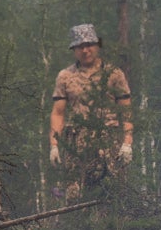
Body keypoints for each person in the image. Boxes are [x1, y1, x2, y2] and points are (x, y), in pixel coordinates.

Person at [49, 24, 133, 199]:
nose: (85, 50)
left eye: (89, 45)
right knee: (75, 195)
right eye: (80, 46)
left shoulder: (113, 74)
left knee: (113, 195)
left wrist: (127, 143)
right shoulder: (65, 76)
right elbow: (58, 113)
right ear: (74, 49)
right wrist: (55, 146)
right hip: (76, 144)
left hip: (109, 142)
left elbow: (126, 109)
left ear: (97, 46)